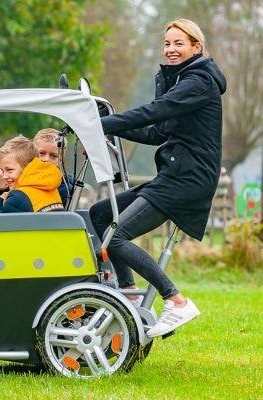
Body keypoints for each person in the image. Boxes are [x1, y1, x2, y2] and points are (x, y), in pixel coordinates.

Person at [89, 18, 226, 338]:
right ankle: (129, 293)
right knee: (100, 213)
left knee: (116, 235)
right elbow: (157, 131)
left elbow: (155, 111)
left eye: (179, 43)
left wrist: (102, 125)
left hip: (187, 178)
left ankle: (176, 301)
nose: (171, 49)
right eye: (167, 43)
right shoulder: (181, 81)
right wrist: (110, 122)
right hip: (176, 173)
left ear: (197, 47)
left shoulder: (199, 81)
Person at [0, 135, 64, 213]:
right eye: (3, 171)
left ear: (28, 167)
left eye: (9, 170)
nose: (4, 176)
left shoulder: (18, 197)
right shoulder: (52, 189)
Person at [33, 128, 73, 206]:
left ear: (61, 159)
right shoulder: (21, 178)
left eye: (53, 156)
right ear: (32, 153)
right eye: (41, 153)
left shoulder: (65, 190)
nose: (46, 159)